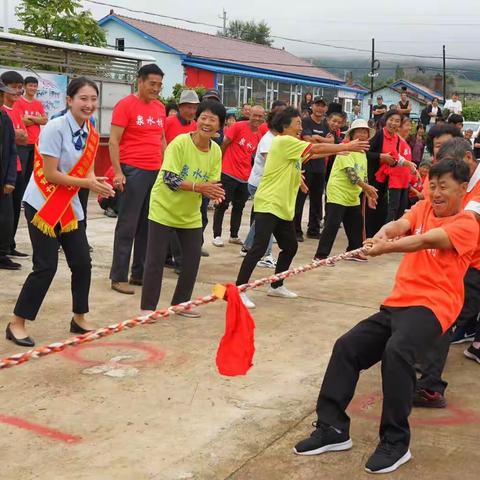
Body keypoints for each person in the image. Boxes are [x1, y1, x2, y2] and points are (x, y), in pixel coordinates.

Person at [294, 159, 478, 474]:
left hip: (435, 306)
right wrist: (381, 235)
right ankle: (332, 428)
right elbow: (400, 226)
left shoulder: (467, 225)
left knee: (398, 352)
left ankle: (396, 441)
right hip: (399, 303)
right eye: (432, 185)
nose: (435, 192)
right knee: (347, 347)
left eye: (443, 186)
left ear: (463, 188)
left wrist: (384, 249)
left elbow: (423, 241)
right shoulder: (422, 209)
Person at [7, 77, 114, 347]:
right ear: (70, 100)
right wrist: (86, 183)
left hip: (69, 204)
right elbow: (52, 174)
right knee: (46, 266)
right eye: (83, 99)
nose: (89, 105)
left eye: (93, 99)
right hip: (42, 202)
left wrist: (96, 181)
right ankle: (17, 323)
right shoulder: (55, 127)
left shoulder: (89, 130)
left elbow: (86, 168)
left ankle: (79, 317)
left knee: (81, 262)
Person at [236, 107, 370, 309]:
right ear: (285, 125)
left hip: (282, 206)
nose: (300, 126)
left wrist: (340, 149)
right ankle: (239, 290)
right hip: (269, 203)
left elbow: (308, 156)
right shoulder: (283, 141)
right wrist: (346, 146)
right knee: (259, 248)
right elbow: (314, 149)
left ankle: (276, 285)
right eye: (297, 123)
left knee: (290, 247)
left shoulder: (292, 145)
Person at [140, 100, 226, 319]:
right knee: (155, 260)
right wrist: (199, 187)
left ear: (219, 127)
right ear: (196, 120)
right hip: (163, 208)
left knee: (191, 259)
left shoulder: (215, 151)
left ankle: (180, 304)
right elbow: (169, 178)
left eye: (212, 120)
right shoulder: (179, 143)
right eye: (203, 118)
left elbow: (213, 183)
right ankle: (148, 309)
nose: (206, 123)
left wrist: (216, 195)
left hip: (189, 214)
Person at [414, 139, 480, 408]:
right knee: (445, 317)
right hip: (465, 262)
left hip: (474, 265)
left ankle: (430, 386)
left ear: (466, 157)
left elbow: (464, 219)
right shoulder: (460, 183)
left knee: (444, 318)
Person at [109, 64, 166, 295]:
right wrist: (118, 172)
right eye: (152, 83)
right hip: (133, 170)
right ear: (140, 81)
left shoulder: (160, 108)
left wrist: (166, 165)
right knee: (128, 225)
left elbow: (161, 138)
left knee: (147, 225)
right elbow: (113, 141)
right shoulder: (125, 105)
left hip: (155, 171)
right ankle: (118, 276)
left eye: (159, 85)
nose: (156, 88)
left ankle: (139, 273)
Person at [313, 119, 378, 263]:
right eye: (359, 131)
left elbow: (364, 176)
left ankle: (353, 251)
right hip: (338, 191)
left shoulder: (362, 153)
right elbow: (352, 175)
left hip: (352, 194)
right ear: (352, 134)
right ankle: (320, 256)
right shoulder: (345, 148)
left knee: (355, 223)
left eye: (365, 132)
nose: (362, 134)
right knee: (332, 224)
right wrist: (366, 188)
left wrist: (369, 195)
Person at [241, 102, 288, 268]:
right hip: (260, 184)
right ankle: (265, 255)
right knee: (268, 219)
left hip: (265, 184)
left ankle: (247, 246)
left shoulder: (277, 139)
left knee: (261, 221)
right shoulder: (269, 140)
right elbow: (272, 165)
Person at [212, 105, 265, 247]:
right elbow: (224, 144)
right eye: (255, 115)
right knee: (222, 204)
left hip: (244, 176)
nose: (257, 119)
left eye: (260, 116)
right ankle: (216, 235)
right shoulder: (238, 127)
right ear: (250, 115)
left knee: (239, 207)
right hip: (228, 172)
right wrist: (219, 165)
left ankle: (234, 235)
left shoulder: (259, 135)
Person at [294, 108, 344, 241]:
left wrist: (319, 139)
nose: (335, 124)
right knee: (300, 200)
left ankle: (314, 229)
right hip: (305, 167)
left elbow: (332, 143)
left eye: (338, 122)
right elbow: (309, 143)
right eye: (334, 121)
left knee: (317, 201)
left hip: (320, 168)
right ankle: (296, 230)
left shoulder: (327, 128)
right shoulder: (305, 122)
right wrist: (324, 142)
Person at [0, 70, 29, 259]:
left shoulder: (13, 113)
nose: (17, 92)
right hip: (7, 168)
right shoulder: (4, 113)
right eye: (14, 88)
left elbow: (22, 139)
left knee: (12, 212)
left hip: (14, 167)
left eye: (20, 88)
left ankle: (8, 246)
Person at [364, 110, 403, 237]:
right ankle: (368, 235)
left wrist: (393, 161)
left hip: (386, 178)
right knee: (371, 206)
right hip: (373, 176)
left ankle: (377, 235)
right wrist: (381, 156)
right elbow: (366, 153)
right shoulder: (379, 135)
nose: (393, 123)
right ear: (385, 121)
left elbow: (395, 156)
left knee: (382, 207)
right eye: (391, 120)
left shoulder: (397, 139)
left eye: (397, 121)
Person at [376, 117, 417, 222]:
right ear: (399, 128)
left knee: (400, 211)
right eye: (407, 125)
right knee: (391, 211)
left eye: (410, 125)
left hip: (404, 181)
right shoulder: (397, 141)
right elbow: (396, 157)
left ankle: (396, 236)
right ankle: (385, 235)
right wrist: (408, 164)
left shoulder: (405, 142)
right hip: (395, 181)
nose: (410, 128)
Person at [0, 80, 20, 271]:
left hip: (3, 180)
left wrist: (10, 179)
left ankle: (2, 254)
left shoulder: (4, 119)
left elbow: (12, 151)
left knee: (6, 220)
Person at [14, 76, 48, 184]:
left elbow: (45, 120)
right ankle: (19, 197)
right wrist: (37, 119)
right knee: (21, 172)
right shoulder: (18, 101)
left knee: (32, 173)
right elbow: (21, 121)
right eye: (30, 85)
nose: (33, 88)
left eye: (35, 86)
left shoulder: (38, 103)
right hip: (23, 142)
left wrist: (31, 118)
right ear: (24, 86)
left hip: (36, 143)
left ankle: (27, 198)